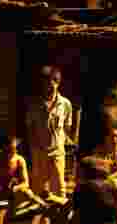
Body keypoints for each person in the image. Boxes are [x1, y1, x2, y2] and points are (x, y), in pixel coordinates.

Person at [26, 65, 76, 203]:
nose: (48, 87)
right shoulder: (34, 105)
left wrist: (61, 143)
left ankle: (61, 218)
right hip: (39, 153)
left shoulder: (65, 104)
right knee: (37, 188)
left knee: (59, 187)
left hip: (57, 153)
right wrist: (35, 149)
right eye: (45, 84)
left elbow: (66, 127)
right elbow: (30, 129)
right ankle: (37, 218)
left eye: (52, 84)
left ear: (57, 83)